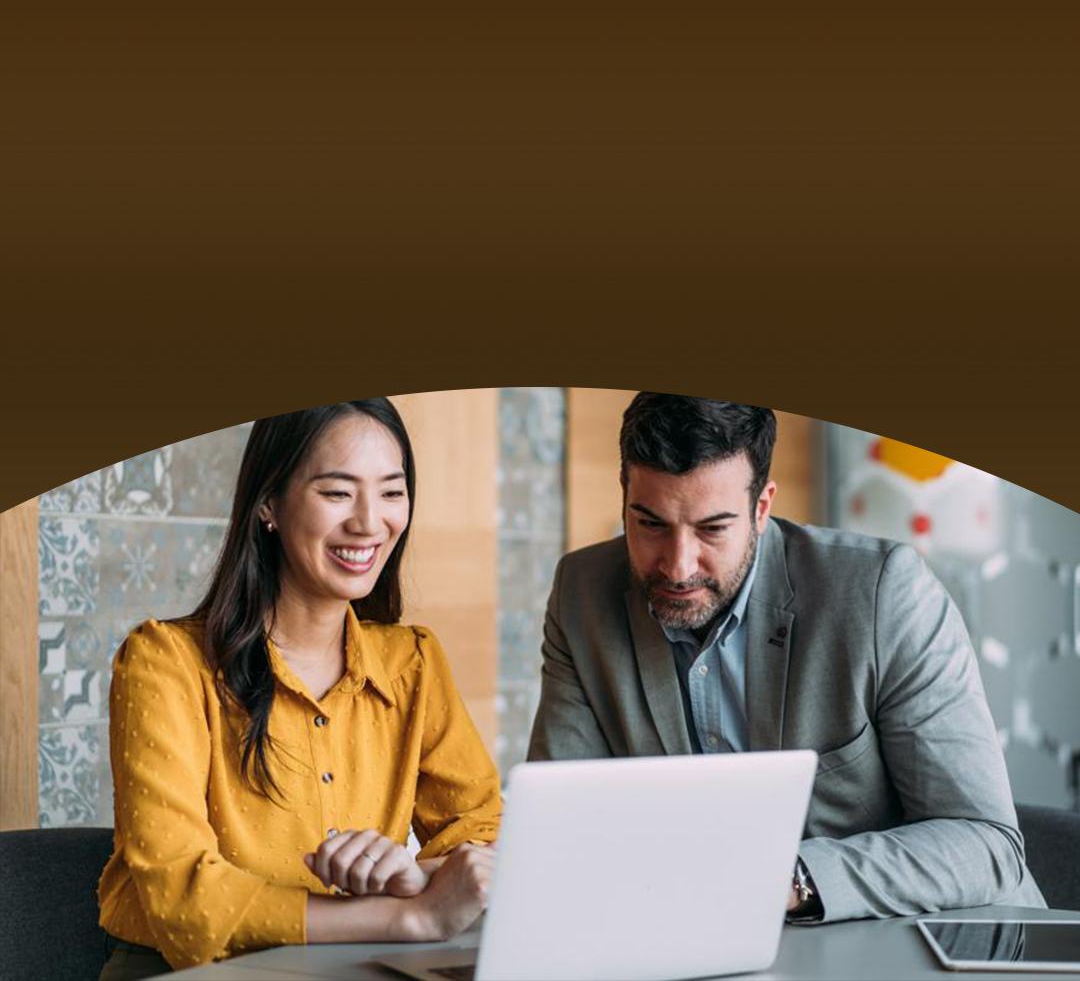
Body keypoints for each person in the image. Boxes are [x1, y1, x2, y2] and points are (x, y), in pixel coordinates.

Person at [527, 393, 1045, 923]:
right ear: (624, 497)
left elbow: (985, 845)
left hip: (942, 945)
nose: (678, 567)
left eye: (712, 528)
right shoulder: (582, 593)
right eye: (651, 524)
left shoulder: (882, 595)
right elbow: (563, 827)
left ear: (762, 507)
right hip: (701, 941)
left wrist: (788, 880)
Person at [98, 400, 500, 978]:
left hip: (355, 966)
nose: (369, 522)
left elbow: (482, 834)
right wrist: (406, 916)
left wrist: (417, 878)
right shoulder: (164, 662)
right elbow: (182, 899)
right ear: (269, 504)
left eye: (391, 492)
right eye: (337, 493)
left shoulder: (413, 661)